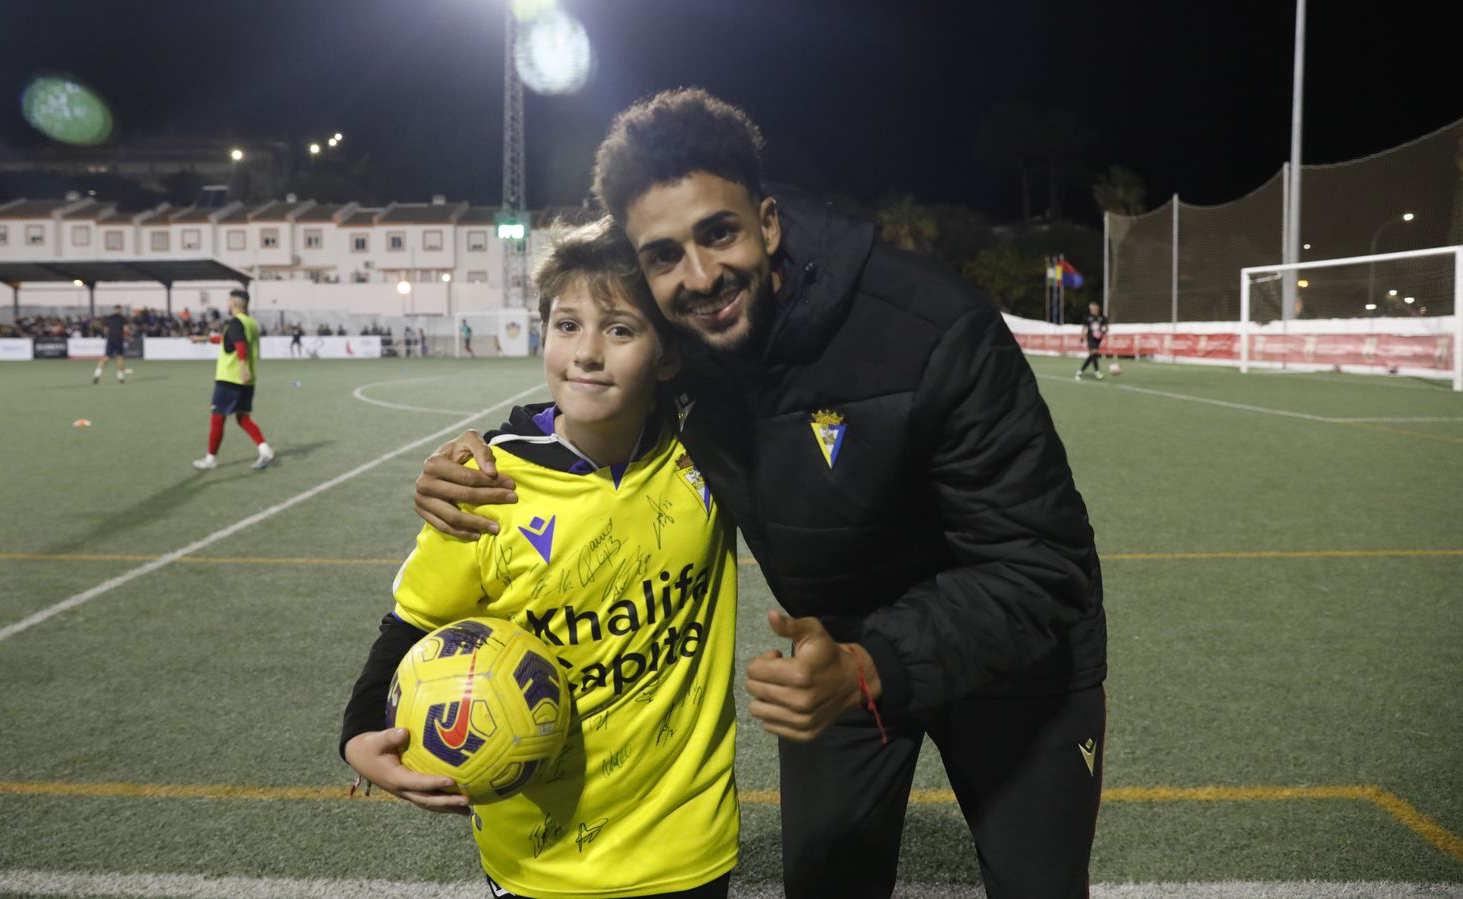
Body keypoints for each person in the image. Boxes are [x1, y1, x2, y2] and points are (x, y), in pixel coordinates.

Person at [413, 88, 1106, 899]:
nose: (700, 276)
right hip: (830, 648)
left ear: (767, 222)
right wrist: (490, 450)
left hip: (1014, 658)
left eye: (719, 234)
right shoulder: (684, 334)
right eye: (664, 255)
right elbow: (599, 377)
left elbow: (1040, 560)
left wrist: (874, 663)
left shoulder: (932, 326)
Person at [342, 220, 739, 899]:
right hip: (541, 861)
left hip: (687, 844)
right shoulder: (487, 486)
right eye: (566, 325)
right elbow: (410, 623)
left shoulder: (708, 449)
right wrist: (357, 734)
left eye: (619, 329)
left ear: (668, 354)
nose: (586, 352)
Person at [191, 289, 274, 471]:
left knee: (217, 418)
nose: (227, 304)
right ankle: (264, 449)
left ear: (234, 304)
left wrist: (242, 369)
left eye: (228, 302)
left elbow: (239, 345)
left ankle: (210, 459)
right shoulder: (251, 323)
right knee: (243, 419)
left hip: (230, 378)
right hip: (247, 381)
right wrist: (203, 339)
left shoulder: (236, 322)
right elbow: (228, 340)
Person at [93, 305, 130, 384]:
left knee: (106, 358)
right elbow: (126, 329)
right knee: (120, 358)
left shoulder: (109, 318)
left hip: (110, 340)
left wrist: (107, 336)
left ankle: (97, 375)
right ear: (120, 310)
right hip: (119, 340)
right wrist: (127, 337)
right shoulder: (123, 319)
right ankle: (120, 378)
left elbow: (106, 330)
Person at [1077, 301, 1109, 381]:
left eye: (1094, 308)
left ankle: (1081, 371)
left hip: (1098, 339)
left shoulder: (1102, 318)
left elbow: (1106, 328)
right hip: (1090, 338)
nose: (1093, 310)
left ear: (1098, 309)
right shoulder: (1087, 317)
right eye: (1091, 309)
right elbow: (1084, 327)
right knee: (1094, 353)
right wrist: (1082, 335)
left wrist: (1103, 331)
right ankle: (1096, 372)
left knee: (1093, 355)